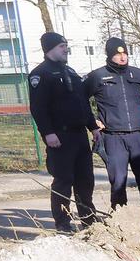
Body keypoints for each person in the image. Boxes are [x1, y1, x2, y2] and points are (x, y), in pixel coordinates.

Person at [85, 37, 140, 226]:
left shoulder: (136, 74)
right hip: (113, 138)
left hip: (138, 136)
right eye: (118, 54)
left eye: (124, 53)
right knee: (118, 181)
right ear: (110, 55)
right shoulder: (97, 76)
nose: (122, 57)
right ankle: (120, 221)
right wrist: (93, 123)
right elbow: (80, 100)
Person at [29, 31, 98, 232]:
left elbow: (83, 104)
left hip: (79, 136)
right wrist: (47, 132)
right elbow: (38, 108)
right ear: (50, 49)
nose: (65, 49)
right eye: (62, 46)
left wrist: (93, 127)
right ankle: (63, 222)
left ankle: (88, 220)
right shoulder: (40, 74)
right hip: (60, 136)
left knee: (85, 180)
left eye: (65, 45)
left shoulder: (70, 72)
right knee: (63, 181)